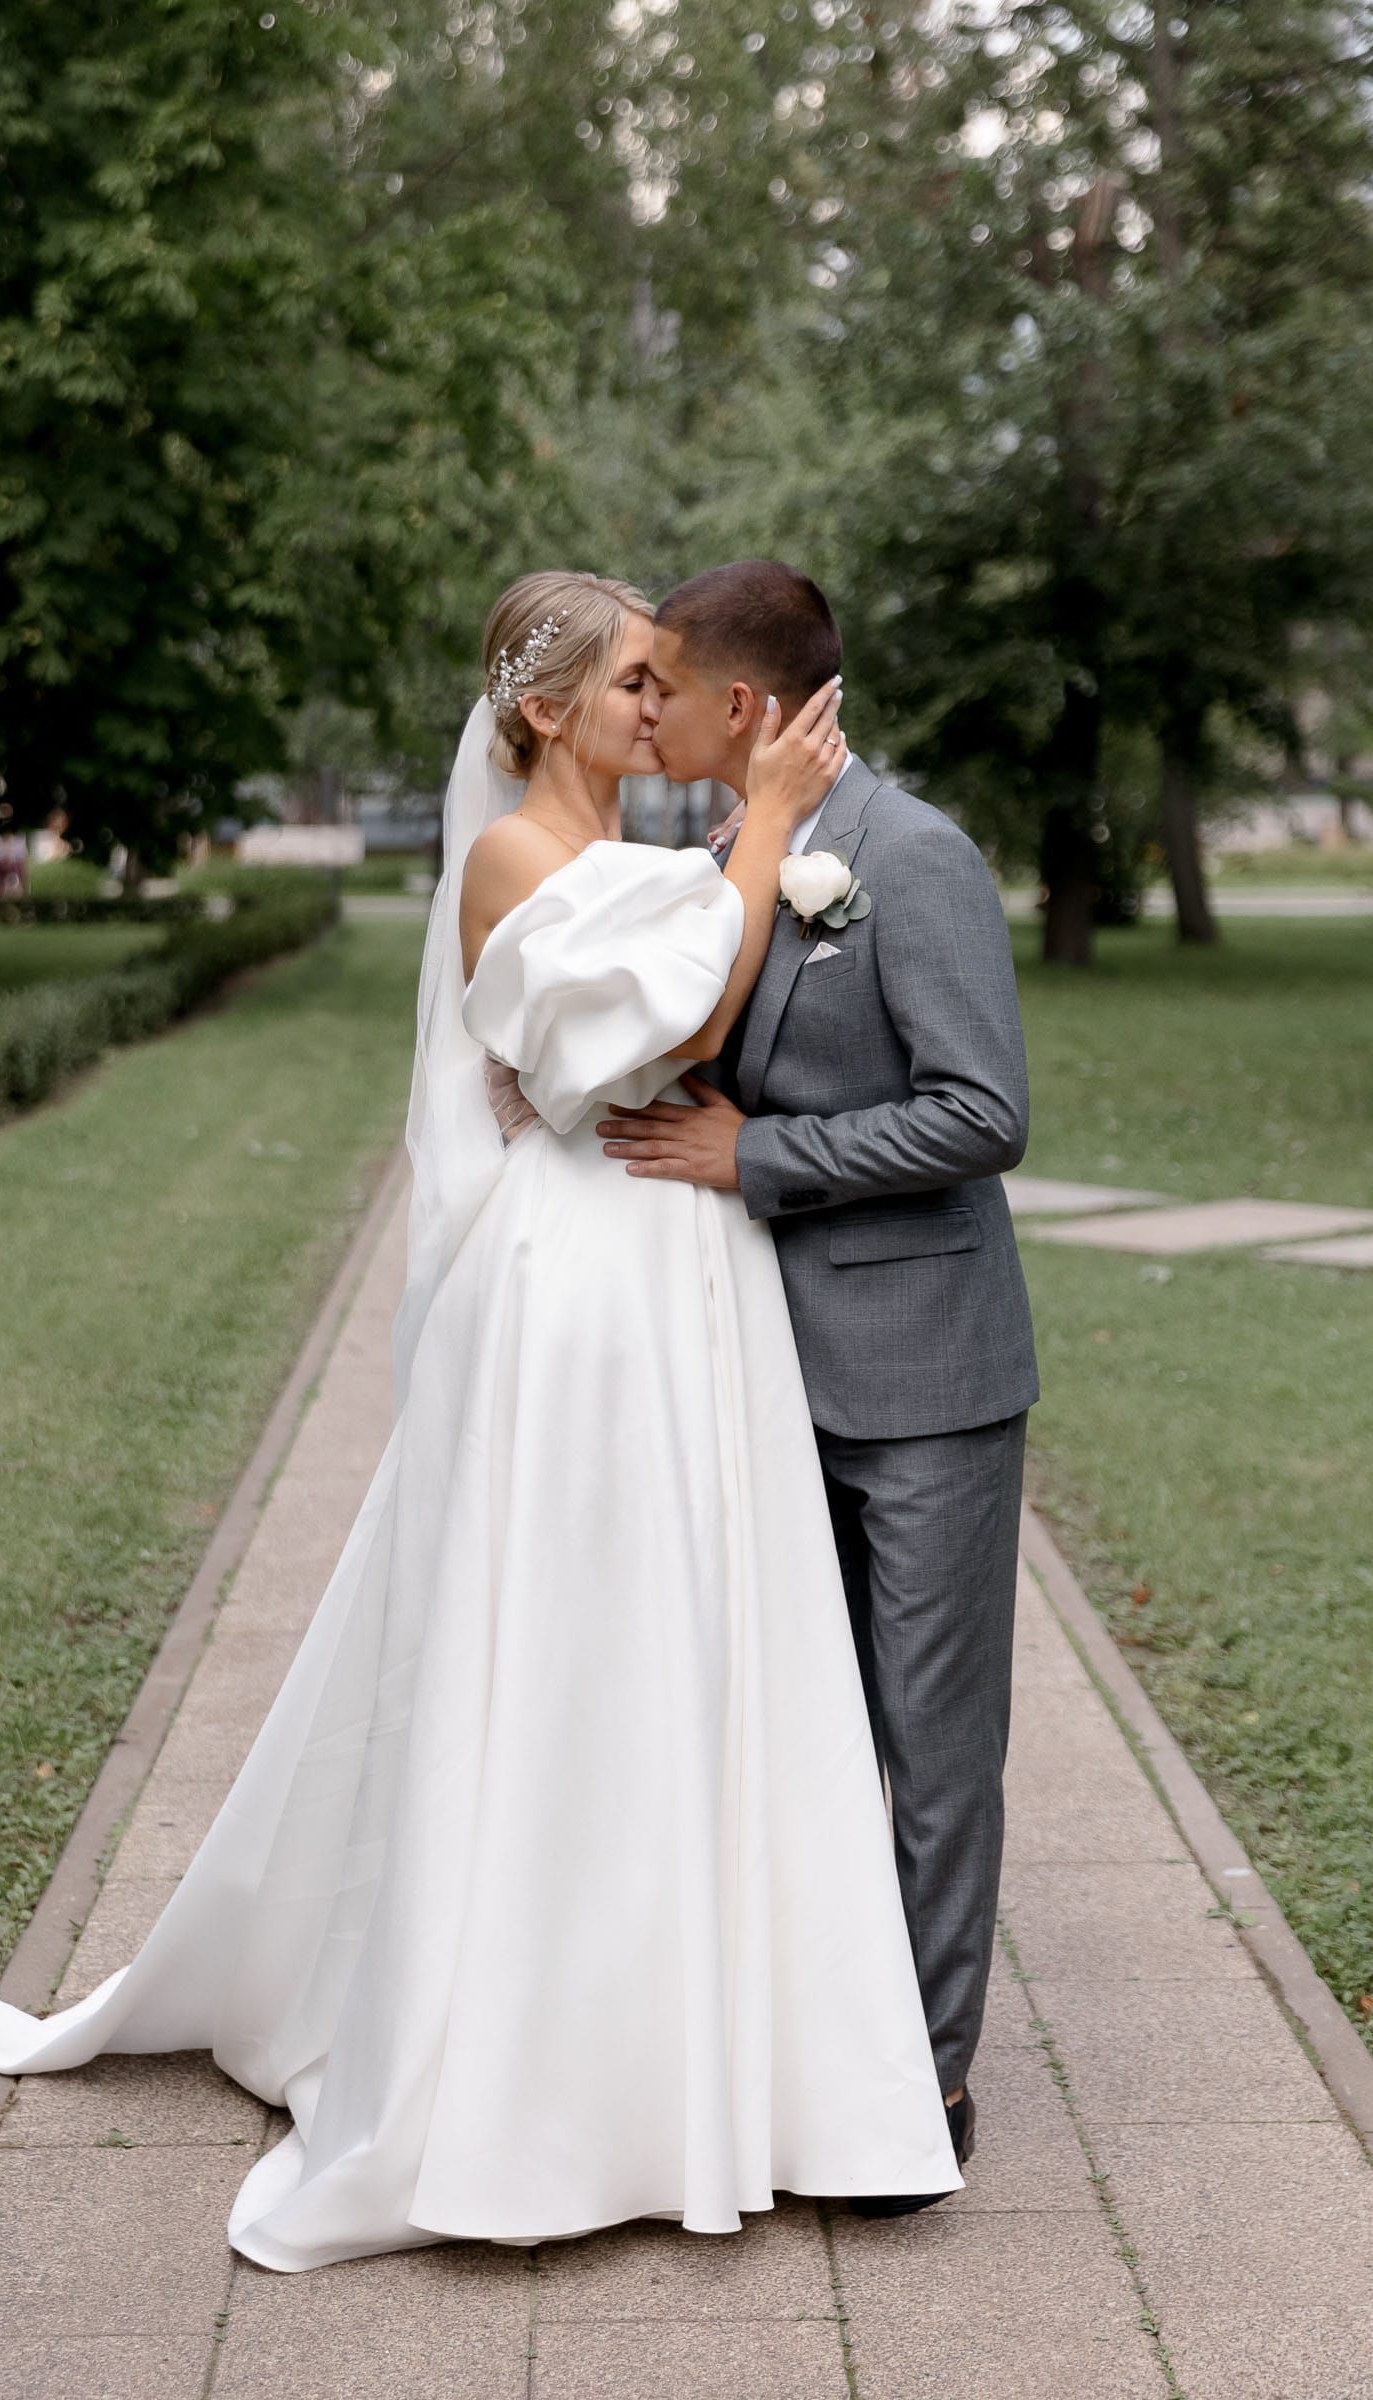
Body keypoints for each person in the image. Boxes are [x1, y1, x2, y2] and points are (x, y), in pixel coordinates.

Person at [0, 569, 961, 2271]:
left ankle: (700, 2045)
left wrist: (731, 887)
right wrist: (767, 827)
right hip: (577, 1296)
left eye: (669, 685)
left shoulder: (656, 862)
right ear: (546, 708)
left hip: (692, 1280)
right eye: (640, 685)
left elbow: (709, 1016)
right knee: (565, 1637)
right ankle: (525, 2066)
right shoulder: (512, 856)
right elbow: (687, 1015)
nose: (668, 710)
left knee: (696, 1642)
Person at [593, 561, 1039, 2208]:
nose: (651, 713)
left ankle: (926, 2083)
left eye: (672, 688)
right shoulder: (722, 855)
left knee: (931, 1740)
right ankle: (817, 2039)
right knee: (802, 1720)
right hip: (767, 1369)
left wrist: (753, 1154)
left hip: (925, 1376)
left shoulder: (914, 860)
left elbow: (980, 1113)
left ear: (747, 708)